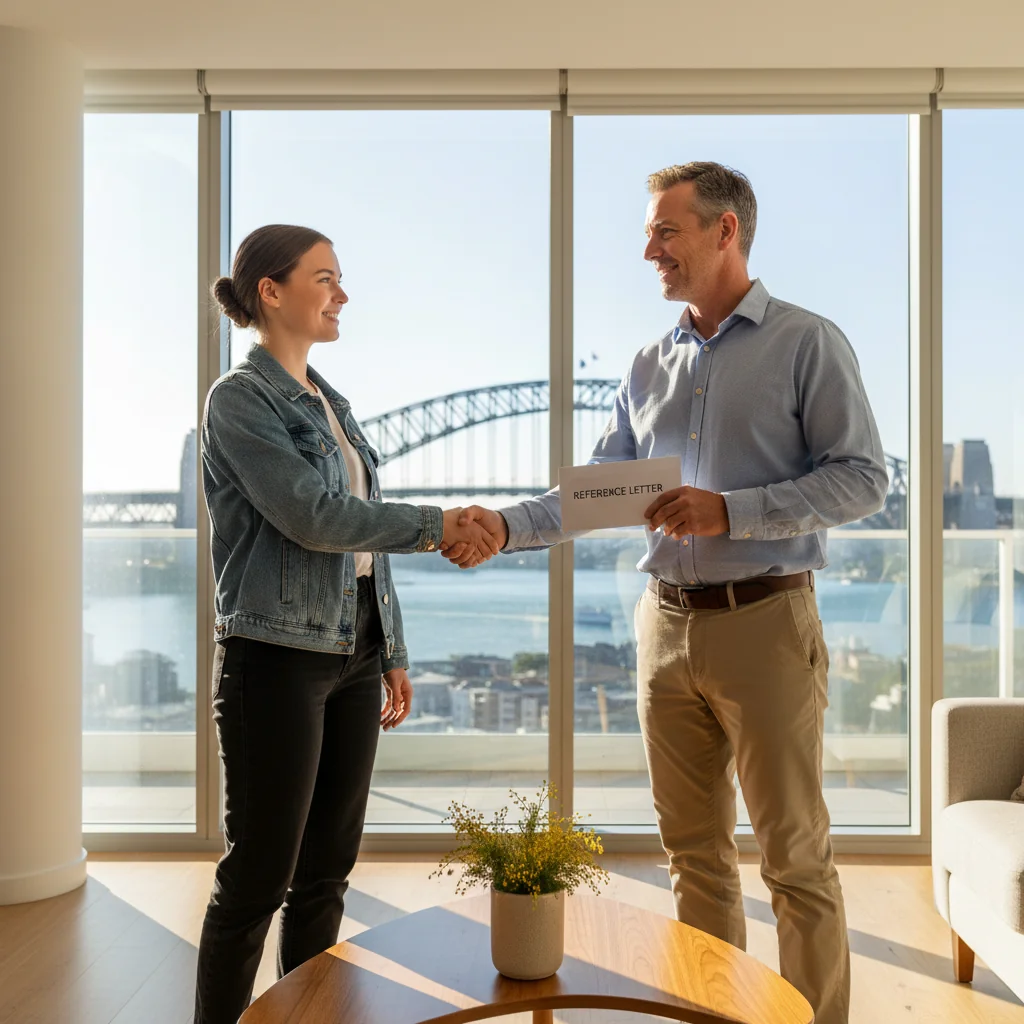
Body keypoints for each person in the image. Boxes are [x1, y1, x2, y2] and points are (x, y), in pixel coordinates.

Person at [445, 162, 888, 1024]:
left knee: (794, 859)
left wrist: (732, 511)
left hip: (765, 621)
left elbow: (865, 479)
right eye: (650, 233)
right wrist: (505, 526)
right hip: (665, 631)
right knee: (694, 856)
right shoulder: (649, 363)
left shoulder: (808, 342)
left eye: (665, 231)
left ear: (726, 231)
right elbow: (599, 491)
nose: (648, 249)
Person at [194, 223, 501, 1024]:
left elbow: (359, 529)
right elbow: (315, 517)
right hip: (276, 659)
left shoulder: (330, 400)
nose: (342, 293)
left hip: (352, 654)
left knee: (328, 869)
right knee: (258, 877)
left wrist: (390, 647)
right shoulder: (239, 399)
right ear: (272, 290)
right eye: (325, 278)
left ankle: (308, 1017)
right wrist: (440, 523)